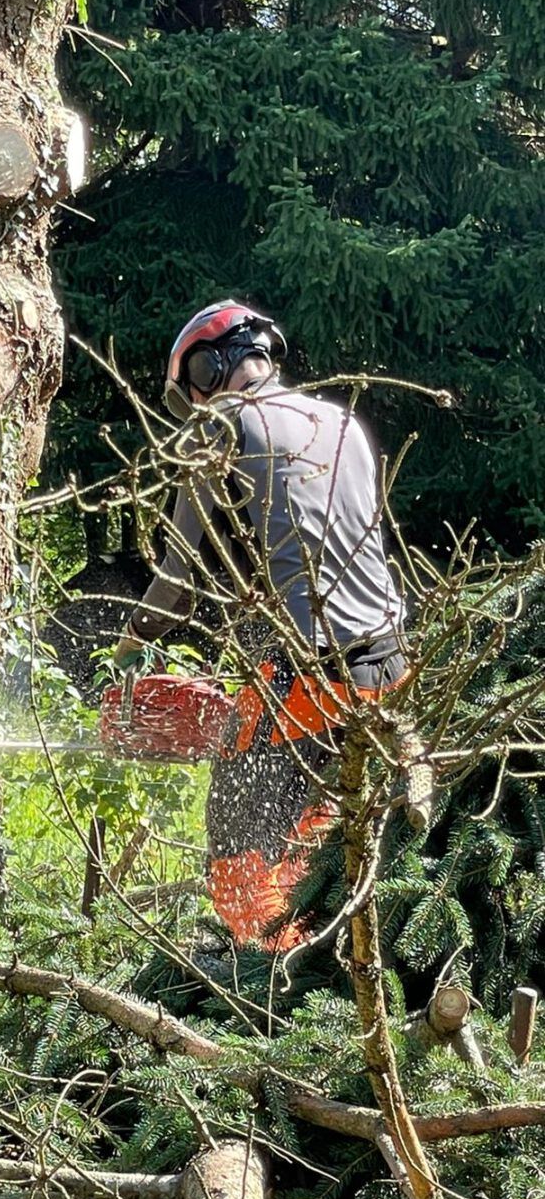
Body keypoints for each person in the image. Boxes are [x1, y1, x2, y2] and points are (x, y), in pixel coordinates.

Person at [113, 299, 407, 949]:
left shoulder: (221, 425)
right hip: (388, 664)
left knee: (237, 843)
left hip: (309, 671)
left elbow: (175, 590)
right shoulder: (341, 423)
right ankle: (338, 955)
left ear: (210, 367)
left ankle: (272, 975)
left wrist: (133, 642)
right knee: (323, 825)